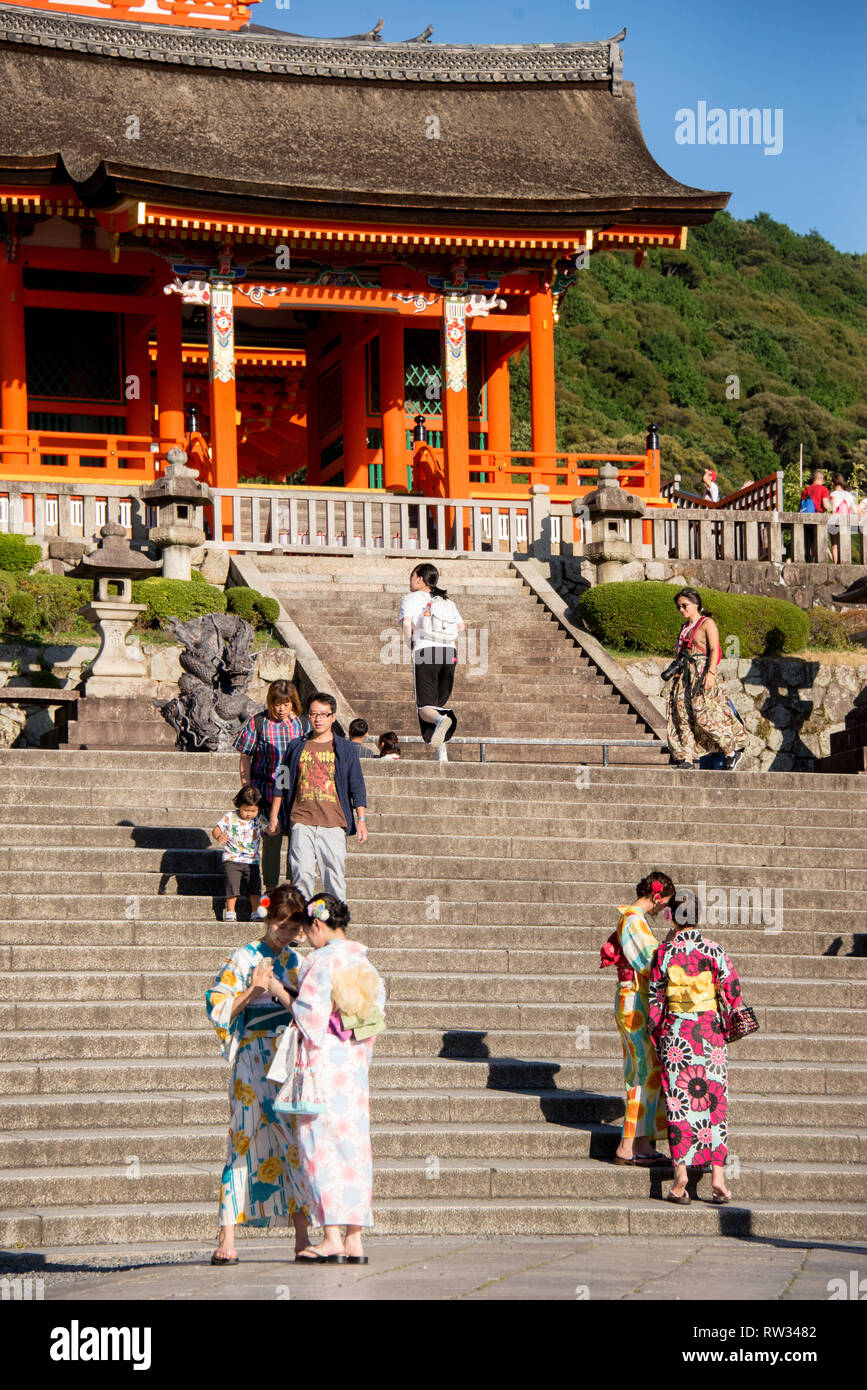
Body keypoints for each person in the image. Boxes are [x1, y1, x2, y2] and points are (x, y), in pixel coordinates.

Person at [204, 884, 311, 1263]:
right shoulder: (244, 956)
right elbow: (217, 1005)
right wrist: (252, 991)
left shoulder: (298, 962)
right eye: (279, 924)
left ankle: (302, 1235)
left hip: (287, 1057)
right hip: (252, 1055)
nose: (284, 933)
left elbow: (310, 1010)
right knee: (242, 1138)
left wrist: (283, 992)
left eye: (292, 928)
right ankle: (227, 1235)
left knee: (293, 1143)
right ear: (267, 918)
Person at [292, 893, 385, 1262]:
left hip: (324, 1066)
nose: (306, 937)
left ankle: (330, 1236)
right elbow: (373, 1019)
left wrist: (282, 993)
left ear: (317, 924)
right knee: (355, 1148)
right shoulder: (364, 962)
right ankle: (355, 1239)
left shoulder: (321, 961)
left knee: (320, 1146)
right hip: (354, 1067)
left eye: (306, 930)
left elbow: (310, 1018)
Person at [648, 915, 745, 1205]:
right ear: (698, 916)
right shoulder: (715, 949)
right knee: (715, 1102)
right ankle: (718, 1178)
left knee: (678, 1103)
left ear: (673, 919)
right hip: (709, 1032)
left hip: (678, 1032)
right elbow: (733, 990)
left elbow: (655, 999)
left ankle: (680, 1178)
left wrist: (658, 1033)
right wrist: (726, 1025)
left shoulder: (664, 952)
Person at [601, 872, 675, 1166]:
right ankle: (627, 1146)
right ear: (657, 896)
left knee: (647, 1071)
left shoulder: (634, 919)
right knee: (642, 1073)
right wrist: (671, 949)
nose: (663, 909)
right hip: (635, 1000)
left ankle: (642, 1143)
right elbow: (649, 961)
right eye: (664, 903)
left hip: (636, 999)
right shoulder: (633, 919)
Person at [268, 691, 368, 902]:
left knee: (334, 875)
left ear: (333, 717)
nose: (318, 719)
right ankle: (301, 925)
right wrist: (275, 816)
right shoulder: (295, 746)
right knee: (301, 873)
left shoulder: (346, 749)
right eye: (314, 714)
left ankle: (334, 924)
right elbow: (282, 782)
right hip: (301, 819)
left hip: (333, 822)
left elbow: (356, 784)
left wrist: (361, 819)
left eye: (324, 714)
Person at [665, 588, 747, 771]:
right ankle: (686, 757)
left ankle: (731, 751)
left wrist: (710, 673)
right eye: (678, 607)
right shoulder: (684, 628)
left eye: (684, 606)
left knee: (704, 715)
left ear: (696, 604)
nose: (681, 610)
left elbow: (715, 650)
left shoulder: (706, 623)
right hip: (684, 676)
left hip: (702, 673)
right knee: (681, 716)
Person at [235, 680, 305, 890]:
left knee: (298, 841)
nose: (281, 709)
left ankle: (294, 888)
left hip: (295, 793)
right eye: (277, 704)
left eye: (286, 704)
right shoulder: (259, 722)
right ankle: (270, 889)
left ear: (293, 703)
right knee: (272, 839)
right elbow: (245, 755)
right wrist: (247, 786)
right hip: (265, 790)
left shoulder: (303, 724)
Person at [398, 563, 466, 763]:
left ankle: (441, 720)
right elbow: (461, 626)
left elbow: (406, 622)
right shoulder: (446, 601)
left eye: (412, 577)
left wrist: (409, 643)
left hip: (426, 651)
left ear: (419, 579)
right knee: (436, 704)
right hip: (450, 653)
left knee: (425, 708)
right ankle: (441, 754)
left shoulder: (409, 598)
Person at [212, 784, 266, 923]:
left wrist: (273, 829)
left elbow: (269, 829)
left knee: (254, 886)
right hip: (232, 857)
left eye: (253, 810)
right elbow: (216, 829)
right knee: (232, 884)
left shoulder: (258, 818)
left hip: (251, 860)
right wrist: (219, 836)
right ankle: (230, 911)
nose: (249, 814)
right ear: (239, 805)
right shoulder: (230, 817)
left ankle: (255, 911)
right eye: (246, 810)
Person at [829, 473, 856, 564]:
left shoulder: (833, 494)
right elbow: (855, 510)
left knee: (835, 545)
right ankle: (846, 563)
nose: (831, 484)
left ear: (835, 483)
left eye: (832, 482)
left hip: (835, 522)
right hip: (846, 522)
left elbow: (833, 510)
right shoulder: (849, 495)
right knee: (844, 544)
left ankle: (837, 565)